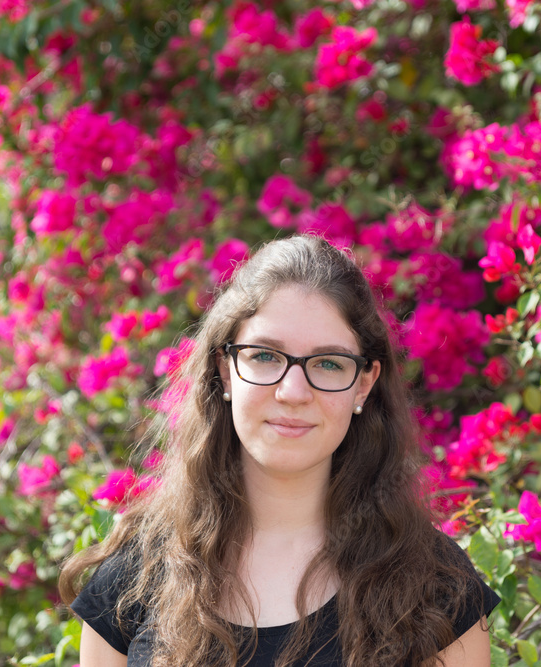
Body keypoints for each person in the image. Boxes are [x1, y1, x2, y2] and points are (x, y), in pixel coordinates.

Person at [59, 234, 501, 666]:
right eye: (265, 356)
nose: (293, 392)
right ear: (226, 369)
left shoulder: (437, 586)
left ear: (363, 384)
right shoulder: (133, 579)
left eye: (328, 363)